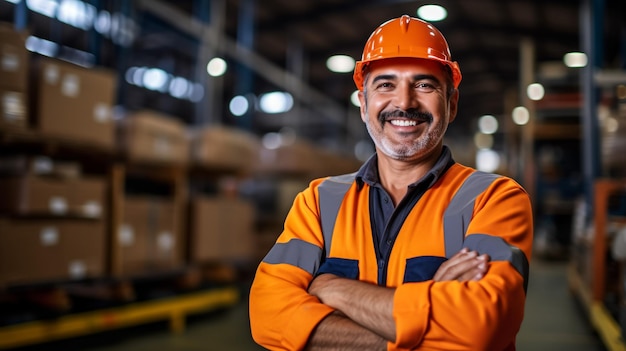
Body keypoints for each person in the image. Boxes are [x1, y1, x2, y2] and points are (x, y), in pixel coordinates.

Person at [249, 15, 533, 351]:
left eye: (424, 85)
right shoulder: (318, 201)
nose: (404, 102)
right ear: (364, 104)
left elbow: (480, 328)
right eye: (386, 84)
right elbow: (267, 314)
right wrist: (426, 325)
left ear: (452, 104)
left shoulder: (494, 199)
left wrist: (331, 288)